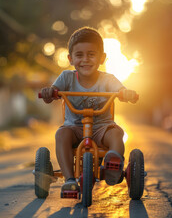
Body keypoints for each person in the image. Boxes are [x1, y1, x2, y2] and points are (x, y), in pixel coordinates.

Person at [40, 26, 138, 193]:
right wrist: (49, 93)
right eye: (79, 55)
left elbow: (120, 89)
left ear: (102, 58)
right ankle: (70, 181)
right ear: (70, 58)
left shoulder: (108, 79)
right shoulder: (66, 77)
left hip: (102, 128)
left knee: (116, 133)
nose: (85, 59)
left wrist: (125, 93)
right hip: (74, 128)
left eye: (91, 54)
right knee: (61, 134)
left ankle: (112, 165)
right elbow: (52, 92)